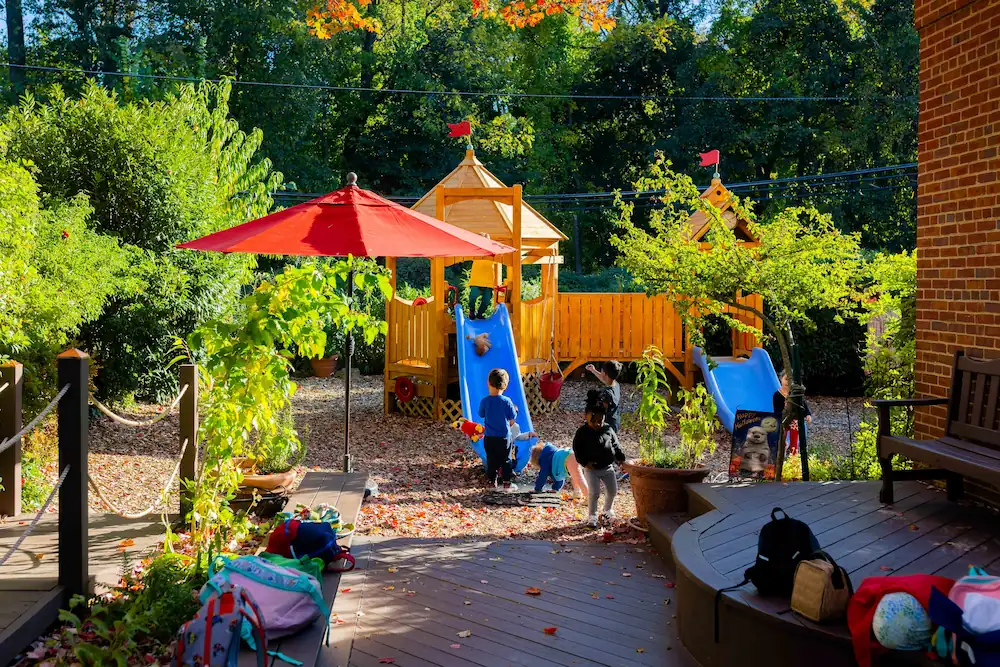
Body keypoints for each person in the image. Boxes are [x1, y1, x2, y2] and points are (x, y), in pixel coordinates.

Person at [573, 393, 626, 527]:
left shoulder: (608, 430)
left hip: (607, 467)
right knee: (594, 493)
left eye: (600, 421)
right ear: (586, 417)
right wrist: (584, 463)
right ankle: (592, 516)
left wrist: (620, 458)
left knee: (613, 490)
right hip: (591, 469)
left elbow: (615, 445)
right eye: (593, 421)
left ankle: (608, 510)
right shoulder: (582, 433)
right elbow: (577, 449)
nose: (597, 424)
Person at [478, 368, 518, 490]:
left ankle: (491, 482)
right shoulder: (507, 401)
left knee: (491, 460)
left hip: (489, 437)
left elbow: (481, 414)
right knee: (506, 459)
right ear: (505, 386)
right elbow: (513, 417)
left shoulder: (485, 401)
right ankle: (506, 483)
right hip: (504, 437)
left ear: (488, 383)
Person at [773, 371, 812, 456]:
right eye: (786, 379)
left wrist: (808, 414)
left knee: (795, 438)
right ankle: (782, 450)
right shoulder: (777, 395)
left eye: (790, 380)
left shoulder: (795, 394)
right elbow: (776, 410)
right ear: (781, 379)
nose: (788, 382)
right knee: (781, 437)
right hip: (783, 420)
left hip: (794, 420)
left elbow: (803, 404)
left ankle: (794, 454)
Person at [585, 360, 622, 433]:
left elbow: (602, 412)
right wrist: (593, 370)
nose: (601, 372)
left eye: (601, 370)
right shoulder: (615, 384)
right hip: (614, 422)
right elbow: (604, 379)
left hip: (607, 426)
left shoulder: (606, 394)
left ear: (605, 373)